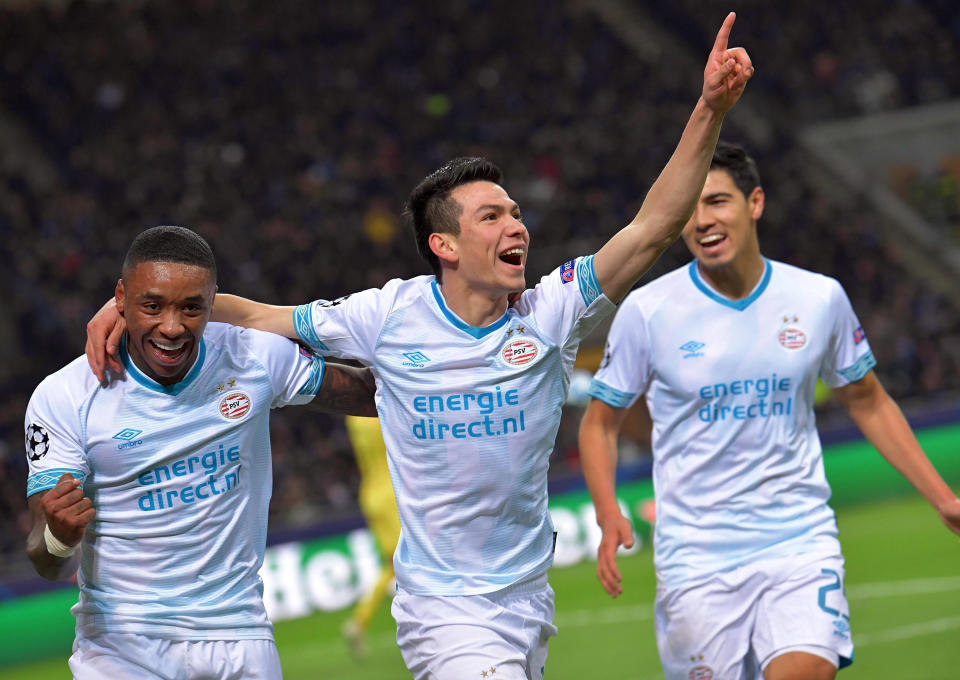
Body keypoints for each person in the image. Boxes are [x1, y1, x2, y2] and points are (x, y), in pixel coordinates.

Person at [87, 15, 752, 679]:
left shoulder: (554, 309)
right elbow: (260, 316)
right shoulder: (388, 315)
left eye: (515, 212)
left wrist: (708, 110)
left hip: (527, 593)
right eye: (492, 216)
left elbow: (650, 230)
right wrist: (140, 304)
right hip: (442, 609)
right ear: (446, 246)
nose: (515, 223)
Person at [577, 142, 960, 680]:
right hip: (697, 557)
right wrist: (608, 510)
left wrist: (942, 498)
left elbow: (868, 400)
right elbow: (600, 422)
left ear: (755, 202)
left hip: (799, 541)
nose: (702, 221)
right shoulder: (648, 310)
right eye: (689, 208)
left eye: (717, 202)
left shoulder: (818, 298)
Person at [26, 226, 375, 680]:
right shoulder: (66, 396)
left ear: (214, 303)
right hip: (121, 647)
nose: (171, 327)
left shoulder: (254, 358)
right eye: (151, 305)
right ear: (121, 299)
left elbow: (373, 395)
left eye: (192, 307)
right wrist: (58, 537)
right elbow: (46, 562)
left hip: (240, 637)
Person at [340, 415, 402, 660]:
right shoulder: (379, 412)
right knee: (406, 557)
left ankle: (359, 621)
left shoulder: (352, 419)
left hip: (369, 492)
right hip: (390, 490)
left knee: (391, 562)